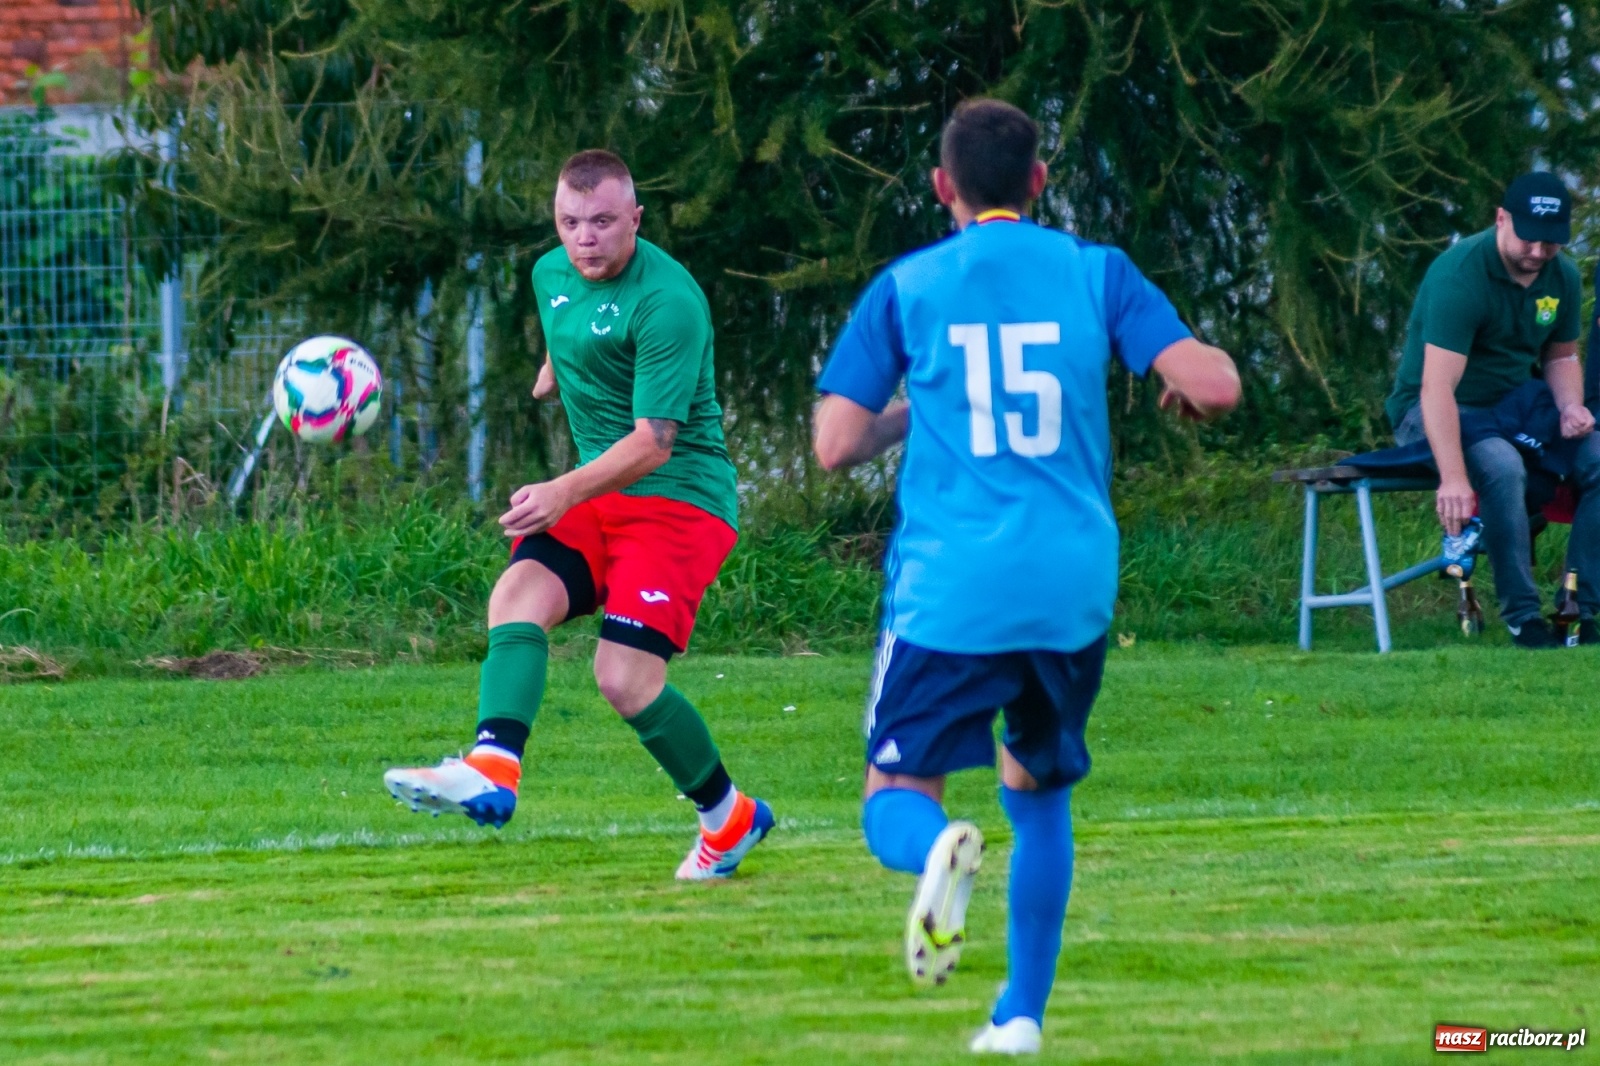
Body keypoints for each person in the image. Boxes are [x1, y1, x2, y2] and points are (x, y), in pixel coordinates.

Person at [812, 100, 1239, 1055]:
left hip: (952, 587)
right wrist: (1182, 375)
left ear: (942, 187)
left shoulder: (909, 284)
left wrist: (909, 410)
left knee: (896, 789)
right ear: (1038, 182)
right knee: (1038, 789)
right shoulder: (1098, 273)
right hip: (1070, 586)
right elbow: (1214, 386)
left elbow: (836, 444)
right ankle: (1019, 1018)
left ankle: (935, 857)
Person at [384, 150, 774, 880]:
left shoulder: (670, 303)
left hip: (678, 503)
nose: (584, 239)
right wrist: (551, 366)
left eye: (601, 222)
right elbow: (570, 331)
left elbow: (656, 443)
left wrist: (562, 490)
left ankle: (730, 818)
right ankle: (493, 767)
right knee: (517, 596)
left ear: (636, 217)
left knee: (623, 680)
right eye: (569, 222)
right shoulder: (549, 274)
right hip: (602, 495)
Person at [1385, 172, 1600, 648]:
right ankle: (1523, 617)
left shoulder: (1559, 275)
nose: (1540, 253)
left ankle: (1579, 609)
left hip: (1515, 406)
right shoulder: (1461, 275)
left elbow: (1561, 355)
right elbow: (1436, 388)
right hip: (1434, 408)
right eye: (1530, 239)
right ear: (1502, 219)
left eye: (1552, 243)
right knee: (1501, 466)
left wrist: (1569, 407)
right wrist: (1454, 477)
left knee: (1598, 455)